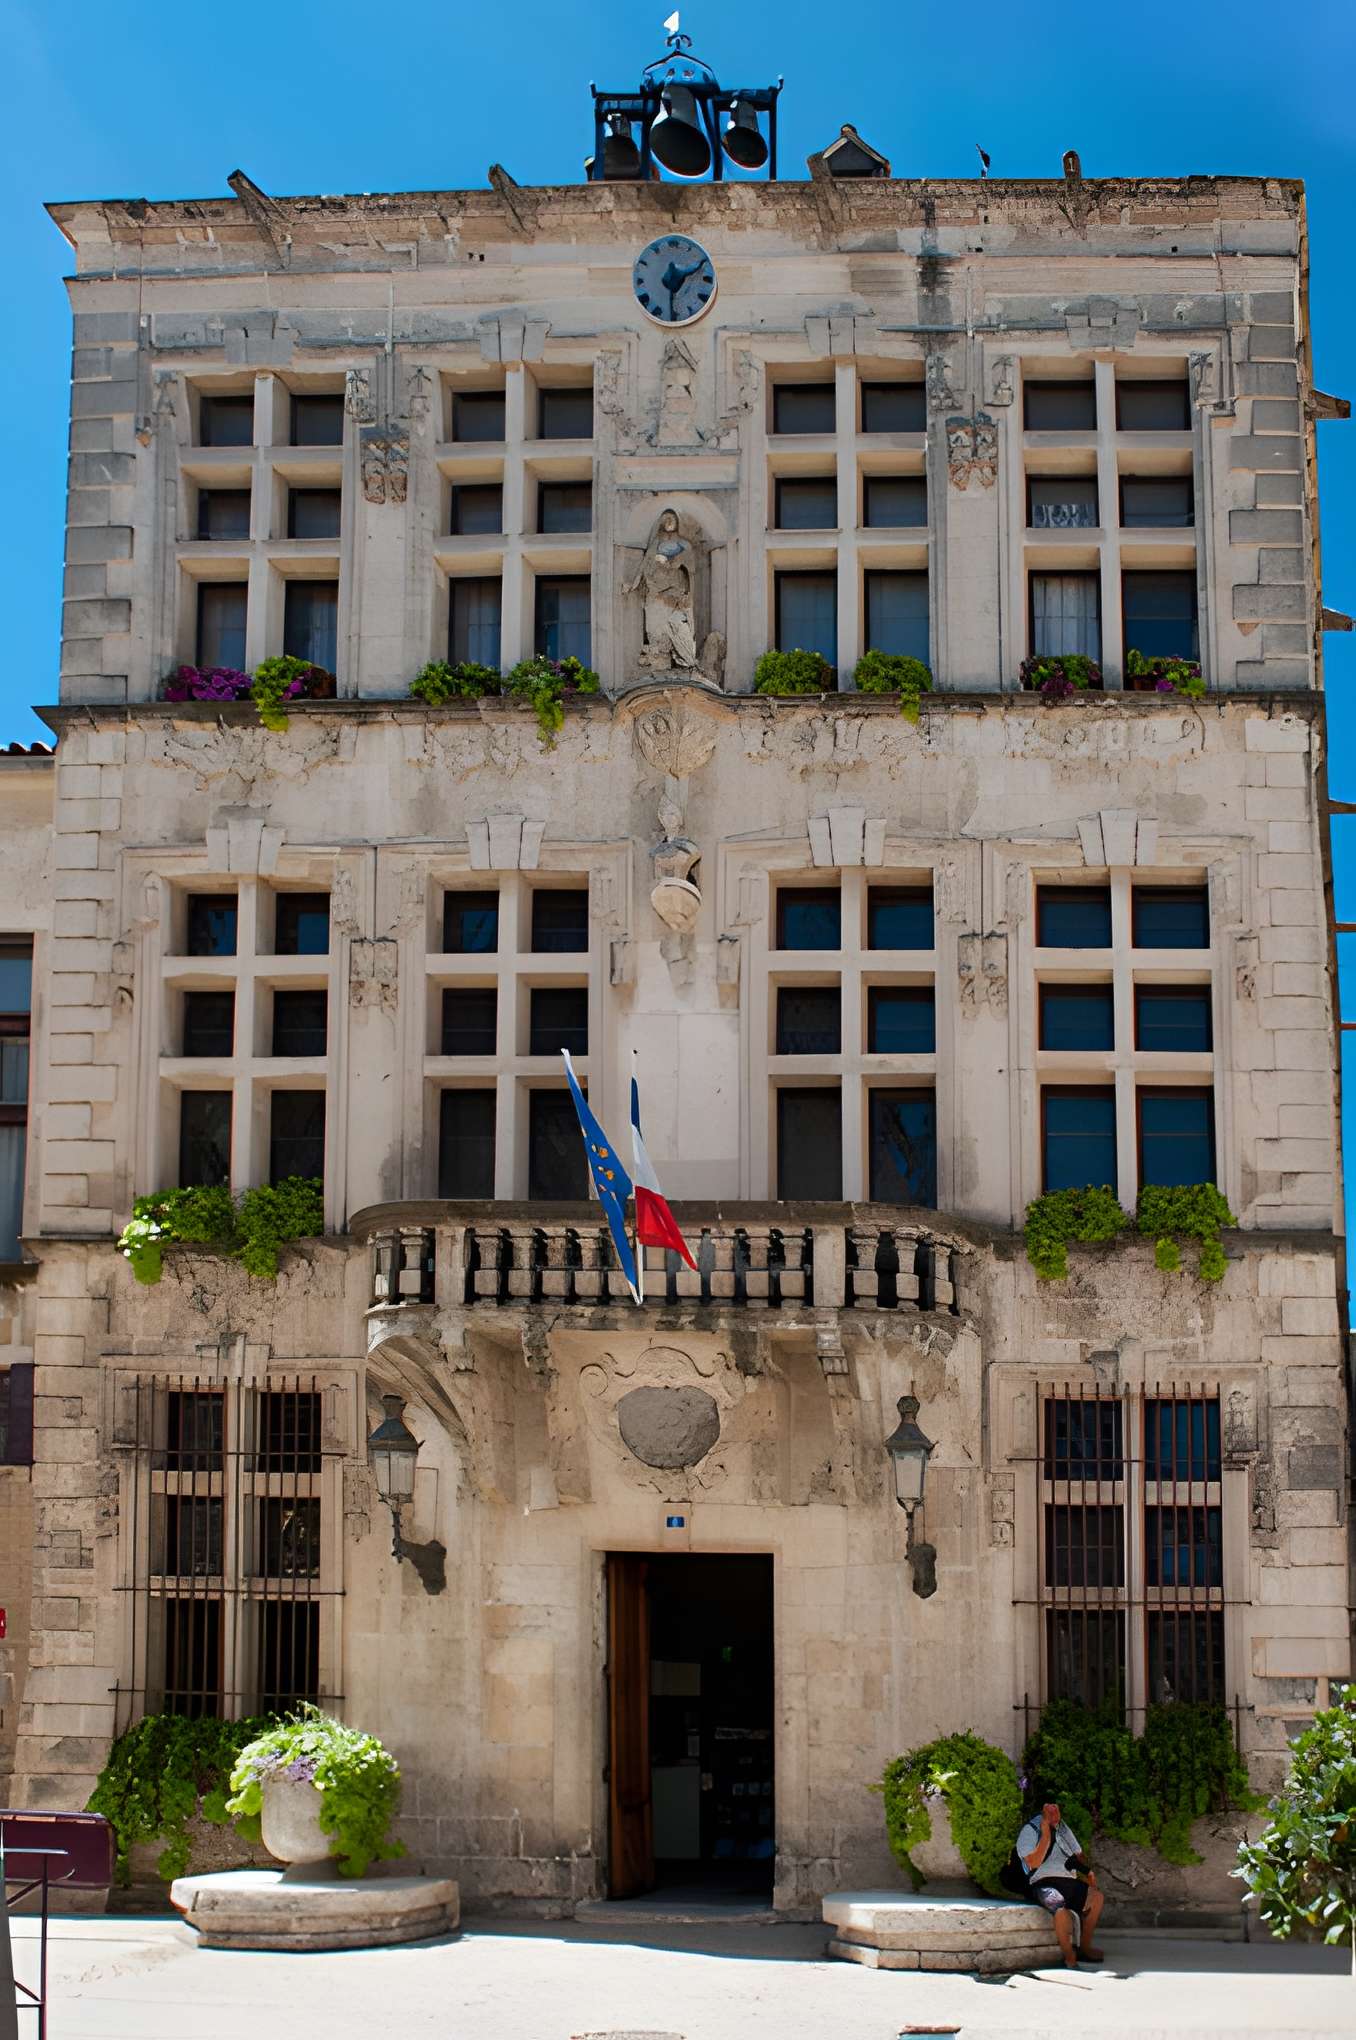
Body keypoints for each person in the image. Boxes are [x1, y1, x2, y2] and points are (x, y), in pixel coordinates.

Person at [1014, 1800, 1106, 1967]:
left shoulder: (1063, 1828)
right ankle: (1069, 1955)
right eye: (1050, 1811)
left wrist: (1086, 1871)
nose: (1055, 1815)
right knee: (1060, 1909)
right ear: (1042, 1812)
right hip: (1043, 1881)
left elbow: (1078, 1854)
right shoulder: (1030, 1831)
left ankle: (1084, 1948)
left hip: (1068, 1880)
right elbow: (1033, 1862)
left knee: (1097, 1898)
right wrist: (1046, 1835)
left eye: (1057, 1810)